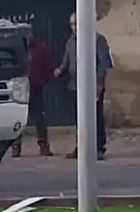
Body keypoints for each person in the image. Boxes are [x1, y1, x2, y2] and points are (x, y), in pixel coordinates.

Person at [55, 12, 112, 160]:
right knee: (79, 118)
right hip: (75, 85)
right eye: (72, 25)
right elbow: (66, 62)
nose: (74, 28)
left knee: (95, 116)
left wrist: (99, 84)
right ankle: (81, 146)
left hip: (93, 85)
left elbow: (104, 64)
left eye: (77, 24)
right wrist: (59, 70)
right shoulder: (70, 42)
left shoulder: (98, 39)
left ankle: (99, 147)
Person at [11, 29, 53, 157]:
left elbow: (48, 65)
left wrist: (44, 80)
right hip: (19, 87)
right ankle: (16, 147)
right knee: (18, 119)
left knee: (39, 117)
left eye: (29, 34)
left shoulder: (40, 48)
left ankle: (43, 146)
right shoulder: (16, 47)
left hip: (35, 87)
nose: (28, 37)